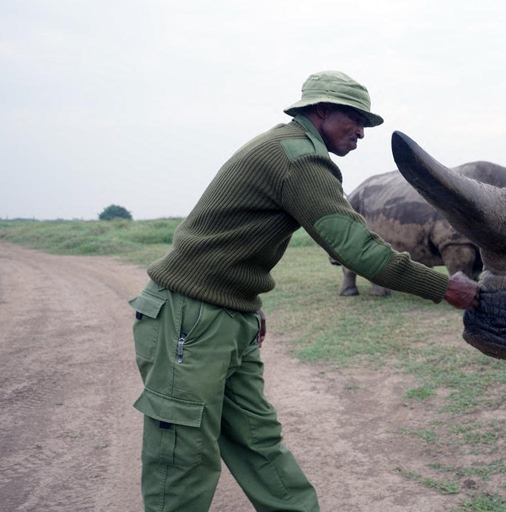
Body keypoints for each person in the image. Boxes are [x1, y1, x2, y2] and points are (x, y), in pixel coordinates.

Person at [128, 70, 478, 511]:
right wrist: (443, 286)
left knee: (258, 440)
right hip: (189, 317)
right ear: (320, 111)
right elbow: (356, 247)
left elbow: (234, 240)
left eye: (366, 124)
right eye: (353, 119)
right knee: (182, 453)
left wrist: (243, 306)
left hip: (225, 315)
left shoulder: (287, 150)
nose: (361, 133)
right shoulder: (298, 160)